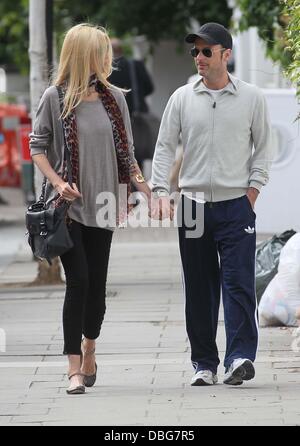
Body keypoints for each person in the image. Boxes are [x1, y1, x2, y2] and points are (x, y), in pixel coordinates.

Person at [30, 24, 151, 395]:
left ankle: (89, 347)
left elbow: (128, 152)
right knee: (78, 281)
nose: (108, 60)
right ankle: (72, 370)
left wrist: (146, 189)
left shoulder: (115, 98)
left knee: (96, 288)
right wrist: (58, 182)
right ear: (85, 55)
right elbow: (37, 146)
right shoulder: (55, 97)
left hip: (105, 204)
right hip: (67, 208)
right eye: (102, 53)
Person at [151, 23, 272, 386]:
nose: (199, 58)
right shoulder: (182, 97)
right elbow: (163, 147)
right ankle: (204, 363)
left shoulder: (252, 97)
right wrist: (159, 191)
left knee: (238, 284)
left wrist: (253, 191)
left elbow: (263, 148)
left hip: (237, 205)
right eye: (195, 52)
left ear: (226, 55)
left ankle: (239, 358)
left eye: (207, 51)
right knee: (200, 289)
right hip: (192, 206)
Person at [108, 38, 156, 171]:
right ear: (122, 50)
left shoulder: (105, 69)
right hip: (136, 116)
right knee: (135, 154)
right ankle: (136, 186)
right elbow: (150, 88)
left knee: (116, 156)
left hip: (113, 119)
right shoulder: (135, 65)